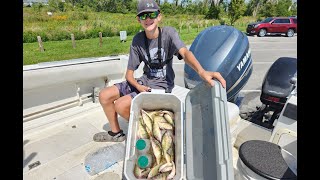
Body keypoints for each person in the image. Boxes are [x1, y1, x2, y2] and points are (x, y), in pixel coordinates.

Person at [93, 0, 226, 142]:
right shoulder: (138, 40)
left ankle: (149, 132)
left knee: (120, 105)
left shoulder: (169, 33)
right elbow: (129, 74)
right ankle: (116, 134)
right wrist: (138, 86)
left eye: (152, 14)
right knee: (104, 95)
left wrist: (201, 72)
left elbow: (185, 53)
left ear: (159, 17)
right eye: (143, 16)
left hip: (162, 84)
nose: (148, 19)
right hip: (144, 81)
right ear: (138, 19)